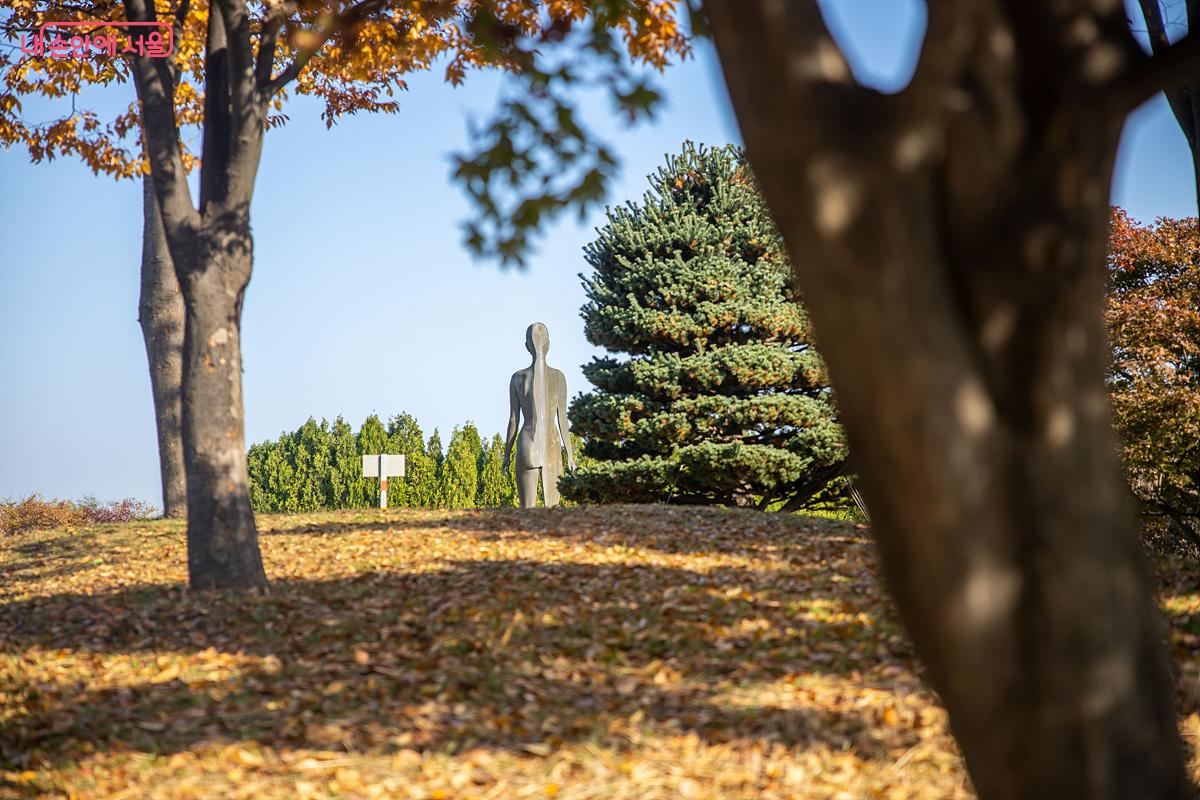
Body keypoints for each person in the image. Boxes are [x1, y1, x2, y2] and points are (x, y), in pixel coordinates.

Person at [503, 322, 576, 508]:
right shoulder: (558, 377)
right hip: (552, 446)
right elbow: (562, 420)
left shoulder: (518, 378)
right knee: (552, 514)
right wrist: (570, 455)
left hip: (527, 444)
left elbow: (513, 420)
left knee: (527, 512)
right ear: (548, 345)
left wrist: (506, 455)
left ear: (527, 346)